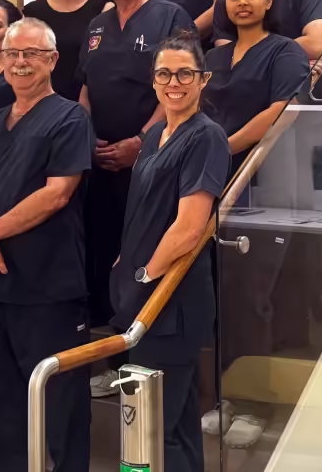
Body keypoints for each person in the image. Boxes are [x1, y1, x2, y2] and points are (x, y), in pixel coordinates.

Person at [0, 18, 94, 472]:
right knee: (0, 407)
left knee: (61, 407)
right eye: (13, 53)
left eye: (31, 54)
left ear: (52, 60)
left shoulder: (70, 117)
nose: (20, 62)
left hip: (48, 288)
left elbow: (58, 192)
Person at [78, 0, 193, 392]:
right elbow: (84, 87)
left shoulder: (169, 15)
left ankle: (142, 358)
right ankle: (108, 357)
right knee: (102, 254)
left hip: (150, 161)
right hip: (98, 163)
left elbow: (179, 85)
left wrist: (140, 142)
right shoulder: (97, 26)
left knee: (141, 255)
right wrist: (85, 141)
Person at [110, 31, 230, 472]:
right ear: (153, 79)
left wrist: (143, 276)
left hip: (171, 301)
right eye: (164, 73)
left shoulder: (206, 137)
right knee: (174, 427)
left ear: (203, 79)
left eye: (185, 73)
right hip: (141, 295)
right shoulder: (156, 133)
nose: (173, 82)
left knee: (153, 426)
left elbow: (189, 226)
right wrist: (126, 267)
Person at [203, 0, 310, 176]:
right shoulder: (212, 57)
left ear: (268, 0)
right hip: (204, 170)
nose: (242, 2)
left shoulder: (286, 51)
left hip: (259, 174)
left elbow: (283, 111)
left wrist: (225, 148)